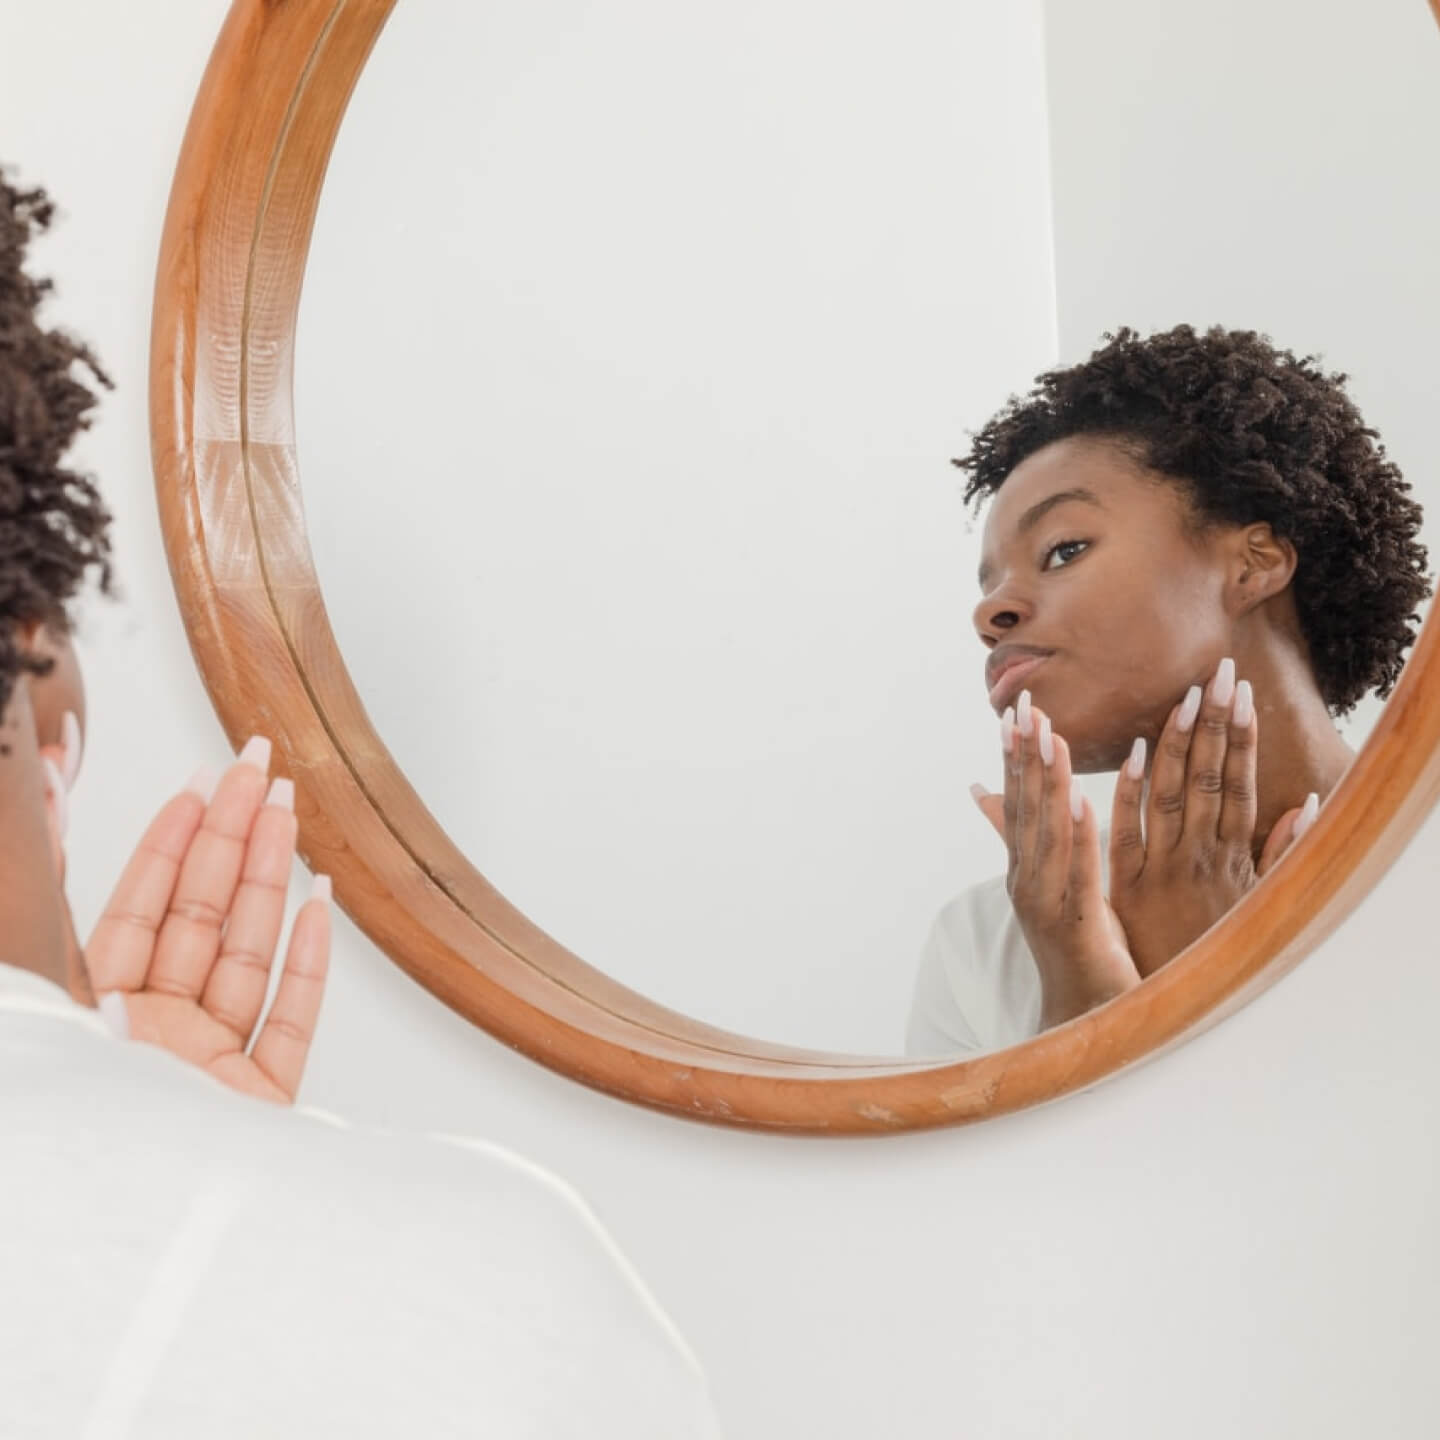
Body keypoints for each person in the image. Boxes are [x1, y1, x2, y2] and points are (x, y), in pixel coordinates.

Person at [906, 325, 1432, 1057]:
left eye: (1063, 550)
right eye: (990, 585)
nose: (990, 615)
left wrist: (1214, 977)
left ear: (1253, 564)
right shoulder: (982, 942)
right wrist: (1083, 994)